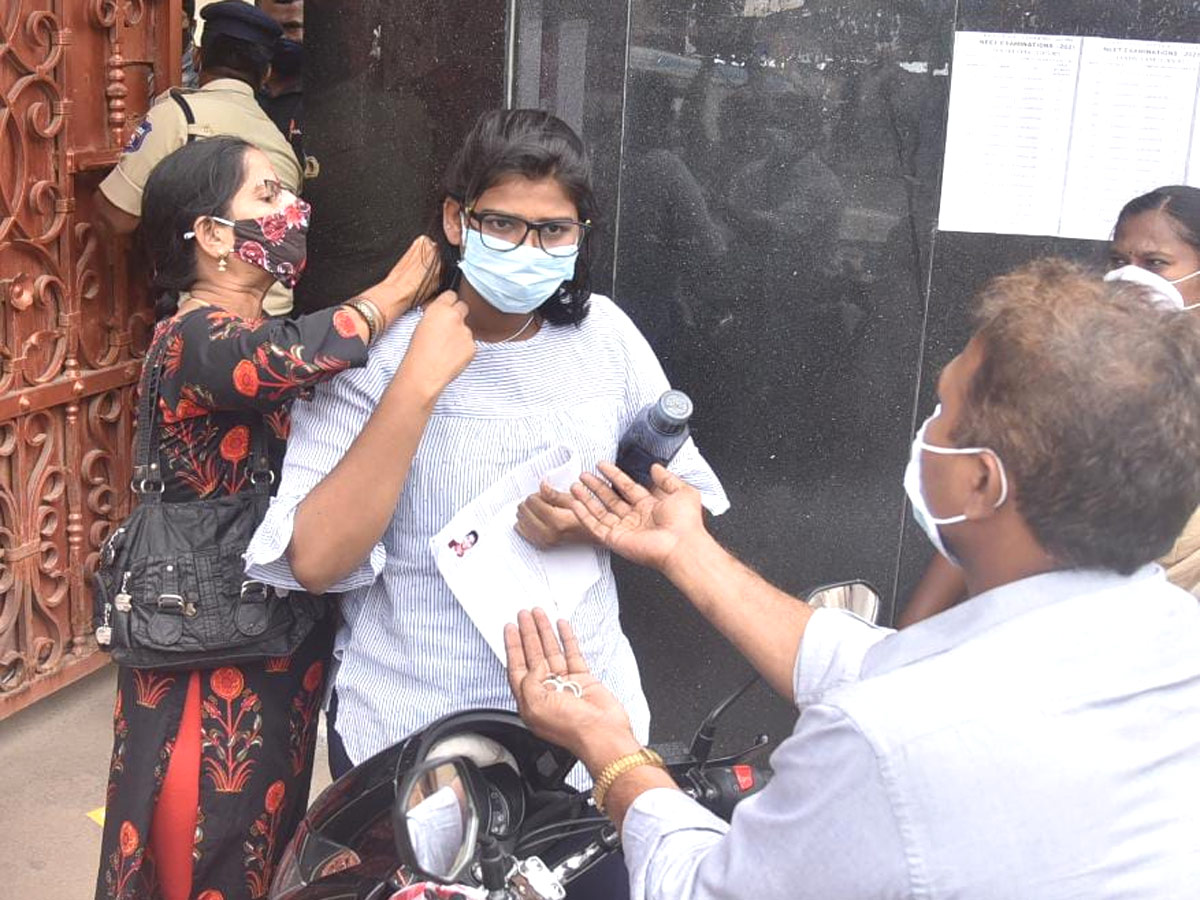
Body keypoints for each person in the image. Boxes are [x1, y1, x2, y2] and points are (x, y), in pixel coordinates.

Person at [506, 258, 1200, 899]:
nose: (928, 429)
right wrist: (687, 550)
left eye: (944, 410)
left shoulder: (886, 745)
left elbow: (700, 890)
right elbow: (873, 664)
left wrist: (608, 747)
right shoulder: (1172, 638)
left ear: (982, 480)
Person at [244, 109, 728, 783]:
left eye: (553, 229)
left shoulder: (608, 338)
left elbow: (690, 506)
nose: (528, 248)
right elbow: (317, 560)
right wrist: (415, 388)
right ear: (455, 220)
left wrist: (598, 524)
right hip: (414, 735)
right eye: (501, 223)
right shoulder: (378, 358)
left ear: (578, 236)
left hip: (591, 735)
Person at [93, 136, 472, 900]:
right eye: (266, 196)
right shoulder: (191, 337)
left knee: (259, 836)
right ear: (209, 235)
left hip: (271, 634)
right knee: (197, 830)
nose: (291, 211)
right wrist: (396, 292)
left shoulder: (260, 328)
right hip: (204, 642)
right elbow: (284, 359)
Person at [900, 184, 1200, 626]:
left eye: (1155, 263)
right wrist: (906, 636)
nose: (1132, 279)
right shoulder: (1083, 367)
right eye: (1118, 262)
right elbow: (990, 512)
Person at [96, 0, 302, 316]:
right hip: (274, 316)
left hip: (208, 316)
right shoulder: (281, 145)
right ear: (266, 74)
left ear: (197, 56)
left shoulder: (178, 116)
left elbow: (116, 217)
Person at [256, 0, 307, 166]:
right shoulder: (244, 95)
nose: (282, 37)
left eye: (292, 27)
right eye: (271, 29)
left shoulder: (327, 99)